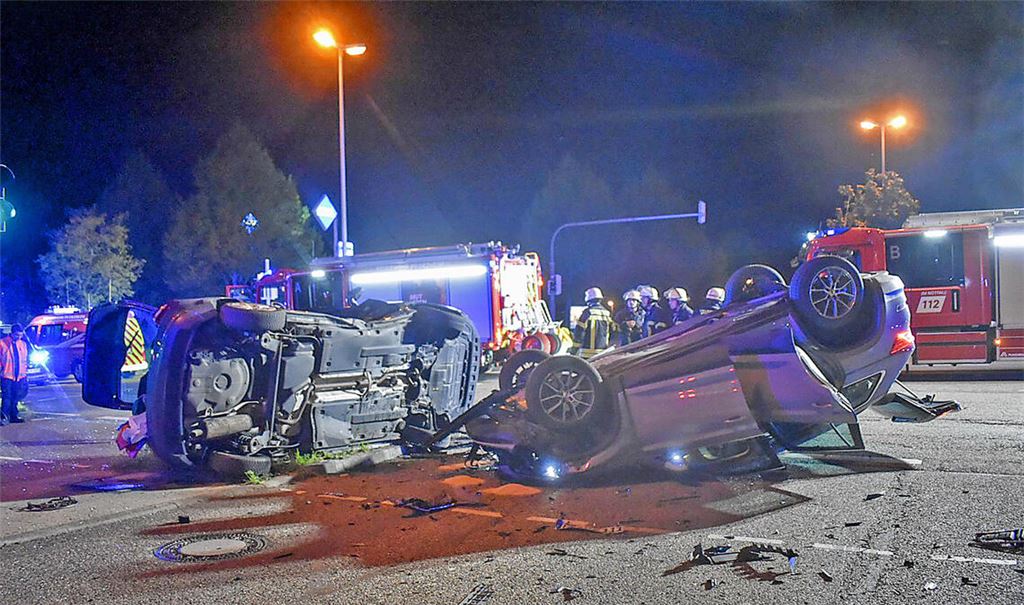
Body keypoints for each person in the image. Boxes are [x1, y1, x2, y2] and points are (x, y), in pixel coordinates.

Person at [0, 324, 30, 425]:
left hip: (20, 376)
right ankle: (4, 417)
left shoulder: (23, 344)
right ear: (12, 333)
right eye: (17, 335)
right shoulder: (2, 343)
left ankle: (13, 416)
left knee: (16, 397)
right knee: (7, 397)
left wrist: (24, 375)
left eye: (21, 335)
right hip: (7, 375)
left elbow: (24, 360)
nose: (19, 337)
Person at [573, 287, 614, 357]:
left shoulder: (587, 313)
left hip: (586, 353)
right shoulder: (607, 313)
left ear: (588, 300)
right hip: (602, 352)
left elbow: (579, 332)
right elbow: (612, 331)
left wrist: (574, 348)